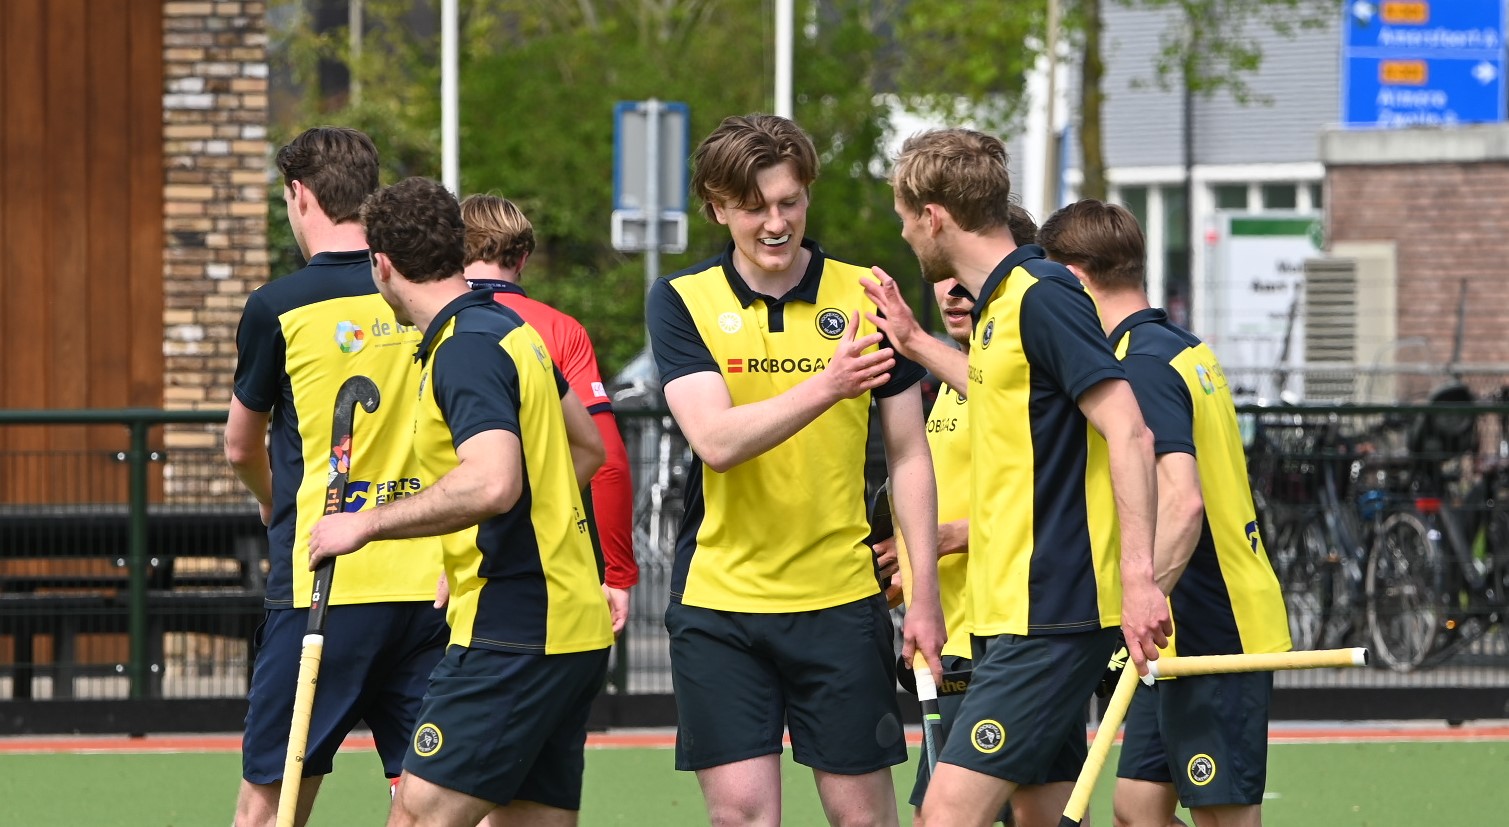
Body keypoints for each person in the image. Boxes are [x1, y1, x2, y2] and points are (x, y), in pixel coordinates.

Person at [862, 128, 1171, 827]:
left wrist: (1139, 577)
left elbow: (1129, 428)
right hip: (1016, 613)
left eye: (906, 220)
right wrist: (914, 343)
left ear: (933, 215)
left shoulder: (1041, 294)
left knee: (943, 814)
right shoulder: (1004, 305)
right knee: (1042, 812)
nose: (908, 235)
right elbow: (997, 390)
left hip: (1050, 613)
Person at [645, 112, 946, 826]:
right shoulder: (681, 300)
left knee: (863, 818)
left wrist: (924, 594)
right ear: (717, 207)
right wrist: (826, 385)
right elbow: (714, 439)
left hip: (839, 601)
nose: (775, 222)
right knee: (742, 816)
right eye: (753, 208)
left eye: (789, 201)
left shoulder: (866, 295)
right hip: (721, 604)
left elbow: (908, 453)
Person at [309, 176, 614, 827]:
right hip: (568, 623)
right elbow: (586, 446)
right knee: (527, 819)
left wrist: (365, 525)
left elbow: (492, 481)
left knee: (417, 814)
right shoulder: (508, 328)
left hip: (514, 629)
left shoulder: (463, 348)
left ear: (381, 265)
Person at [1038, 200, 1291, 827]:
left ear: (1075, 279)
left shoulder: (1141, 366)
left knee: (1223, 816)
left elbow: (1184, 500)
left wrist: (1142, 594)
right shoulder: (1175, 344)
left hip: (1214, 626)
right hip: (1176, 631)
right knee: (1136, 809)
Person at [225, 127, 448, 827]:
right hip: (429, 585)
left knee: (272, 801)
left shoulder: (279, 305)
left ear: (299, 195)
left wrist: (273, 504)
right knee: (423, 804)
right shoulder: (424, 293)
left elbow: (239, 445)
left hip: (325, 582)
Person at [875, 203, 1037, 826]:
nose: (950, 292)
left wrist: (957, 536)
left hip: (1007, 632)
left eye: (962, 275)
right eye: (940, 277)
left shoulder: (1018, 375)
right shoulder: (947, 378)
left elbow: (1066, 493)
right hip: (951, 637)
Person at [460, 193, 637, 633]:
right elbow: (608, 462)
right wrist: (617, 573)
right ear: (522, 259)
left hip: (439, 560)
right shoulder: (561, 330)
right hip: (542, 562)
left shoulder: (428, 325)